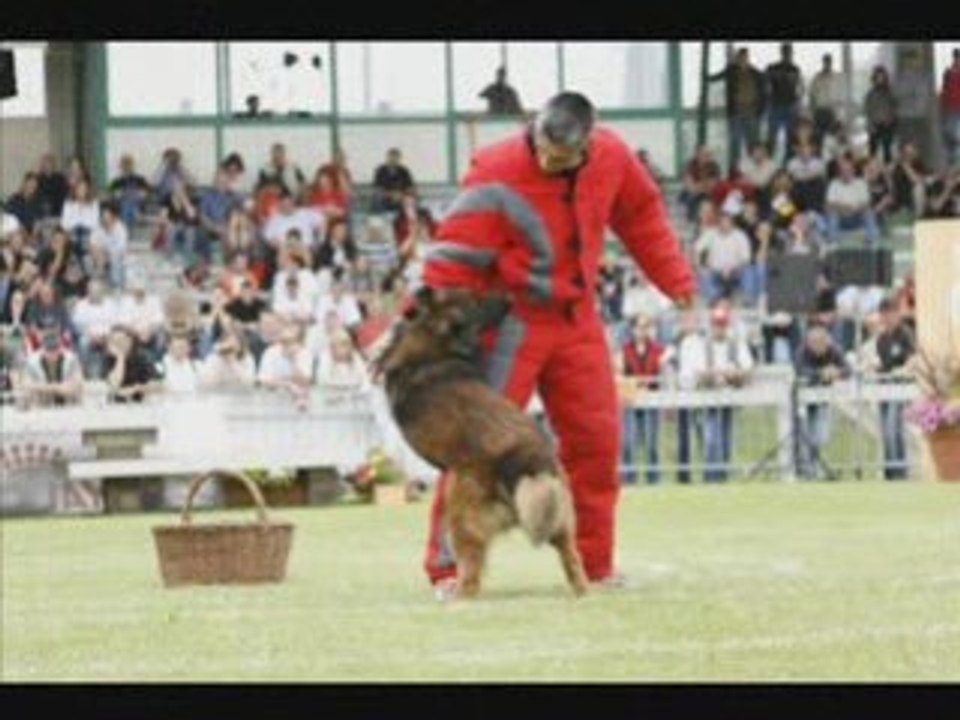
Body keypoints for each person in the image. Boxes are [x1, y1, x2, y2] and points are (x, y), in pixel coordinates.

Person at [417, 91, 696, 596]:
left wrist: (674, 278)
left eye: (560, 157)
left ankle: (594, 566)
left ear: (589, 143)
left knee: (598, 444)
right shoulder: (496, 167)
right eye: (542, 148)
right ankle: (448, 568)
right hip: (509, 323)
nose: (546, 160)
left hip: (578, 321)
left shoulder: (614, 157)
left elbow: (642, 216)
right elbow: (453, 251)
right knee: (476, 447)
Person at [676, 304, 754, 483]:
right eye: (716, 324)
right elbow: (695, 373)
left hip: (728, 399)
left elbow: (748, 368)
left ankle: (723, 477)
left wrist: (734, 374)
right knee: (711, 440)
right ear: (711, 325)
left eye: (722, 324)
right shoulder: (701, 344)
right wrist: (712, 374)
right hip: (708, 400)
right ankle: (711, 478)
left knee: (726, 440)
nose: (719, 328)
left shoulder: (737, 344)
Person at [618, 313, 670, 485]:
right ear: (632, 329)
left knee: (652, 444)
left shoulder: (657, 350)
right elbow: (620, 373)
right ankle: (629, 479)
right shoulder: (625, 350)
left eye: (646, 327)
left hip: (651, 402)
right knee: (629, 443)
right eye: (639, 327)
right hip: (631, 402)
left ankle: (653, 479)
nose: (643, 331)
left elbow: (662, 371)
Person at [793, 324, 850, 480]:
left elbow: (847, 369)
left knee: (820, 436)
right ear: (809, 342)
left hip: (823, 400)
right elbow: (800, 370)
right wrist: (821, 373)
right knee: (805, 436)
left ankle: (815, 468)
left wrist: (836, 372)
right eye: (815, 344)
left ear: (826, 342)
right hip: (802, 401)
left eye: (821, 343)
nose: (818, 348)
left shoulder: (833, 350)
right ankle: (806, 469)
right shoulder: (802, 351)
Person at [872, 298, 916, 481]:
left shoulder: (905, 334)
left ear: (897, 314)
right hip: (884, 388)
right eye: (884, 314)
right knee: (885, 430)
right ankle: (890, 471)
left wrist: (906, 367)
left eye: (891, 313)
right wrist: (875, 366)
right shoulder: (881, 339)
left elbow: (913, 358)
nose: (887, 317)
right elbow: (883, 364)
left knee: (893, 429)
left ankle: (900, 471)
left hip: (901, 388)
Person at [707, 47, 768, 173]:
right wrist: (706, 77)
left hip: (752, 113)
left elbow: (764, 93)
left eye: (744, 57)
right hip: (736, 113)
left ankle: (753, 171)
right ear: (737, 58)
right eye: (740, 57)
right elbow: (717, 77)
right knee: (735, 144)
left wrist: (760, 111)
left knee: (752, 145)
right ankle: (734, 172)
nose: (742, 60)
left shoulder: (756, 73)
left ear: (748, 58)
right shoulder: (731, 71)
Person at [695, 207, 752, 305]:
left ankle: (747, 300)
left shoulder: (740, 236)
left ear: (732, 223)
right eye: (722, 221)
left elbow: (745, 259)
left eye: (727, 222)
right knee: (703, 274)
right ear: (718, 223)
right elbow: (696, 249)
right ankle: (717, 298)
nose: (724, 224)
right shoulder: (710, 233)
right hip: (715, 270)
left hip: (735, 270)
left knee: (749, 271)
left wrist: (733, 268)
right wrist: (698, 265)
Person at [825, 156, 880, 246]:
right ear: (839, 172)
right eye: (843, 171)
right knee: (832, 213)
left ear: (853, 171)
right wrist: (844, 207)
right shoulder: (834, 184)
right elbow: (829, 204)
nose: (846, 173)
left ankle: (871, 240)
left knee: (868, 212)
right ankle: (833, 241)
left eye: (849, 170)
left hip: (856, 216)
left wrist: (855, 208)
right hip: (841, 217)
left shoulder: (861, 183)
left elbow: (866, 203)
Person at [21, 329, 84, 408]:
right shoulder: (32, 361)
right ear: (43, 349)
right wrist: (55, 388)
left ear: (60, 348)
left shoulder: (71, 359)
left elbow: (77, 384)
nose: (52, 354)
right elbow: (27, 385)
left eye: (55, 350)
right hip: (41, 406)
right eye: (49, 351)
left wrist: (45, 387)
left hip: (68, 406)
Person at [71, 279, 119, 379]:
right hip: (89, 336)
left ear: (102, 292)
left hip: (106, 336)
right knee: (83, 342)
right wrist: (91, 335)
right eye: (91, 291)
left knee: (116, 341)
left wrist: (105, 336)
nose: (94, 293)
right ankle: (83, 373)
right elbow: (77, 325)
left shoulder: (110, 304)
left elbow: (115, 324)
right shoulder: (81, 305)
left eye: (97, 291)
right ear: (88, 292)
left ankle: (111, 374)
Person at [257, 324, 313, 406]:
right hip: (272, 399)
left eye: (290, 341)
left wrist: (292, 361)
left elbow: (305, 381)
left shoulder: (305, 353)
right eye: (283, 341)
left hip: (298, 400)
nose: (286, 345)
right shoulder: (270, 352)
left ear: (298, 341)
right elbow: (263, 380)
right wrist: (287, 384)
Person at [765, 43, 804, 160]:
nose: (787, 54)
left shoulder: (795, 69)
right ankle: (768, 164)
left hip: (790, 107)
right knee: (771, 138)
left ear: (792, 53)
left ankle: (788, 165)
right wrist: (768, 102)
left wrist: (798, 104)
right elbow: (765, 87)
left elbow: (800, 88)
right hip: (775, 107)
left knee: (790, 139)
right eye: (785, 52)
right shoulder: (772, 67)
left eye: (789, 52)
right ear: (781, 52)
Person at [102, 327, 161, 403]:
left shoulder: (142, 357)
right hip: (115, 403)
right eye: (114, 341)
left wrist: (136, 388)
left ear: (130, 340)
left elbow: (158, 385)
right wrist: (120, 357)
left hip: (140, 403)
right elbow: (114, 385)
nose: (118, 343)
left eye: (121, 340)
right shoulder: (109, 358)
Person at [89, 202, 129, 290]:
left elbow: (120, 251)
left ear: (114, 216)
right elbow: (92, 245)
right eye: (103, 215)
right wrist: (99, 257)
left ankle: (116, 289)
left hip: (116, 262)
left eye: (107, 215)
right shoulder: (97, 227)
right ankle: (98, 283)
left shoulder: (121, 229)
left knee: (116, 265)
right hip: (100, 261)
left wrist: (105, 253)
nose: (104, 218)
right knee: (95, 257)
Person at [808, 54, 845, 147]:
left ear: (831, 63)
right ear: (823, 62)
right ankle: (819, 159)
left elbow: (841, 99)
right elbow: (811, 96)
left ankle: (837, 160)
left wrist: (839, 116)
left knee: (836, 141)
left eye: (829, 61)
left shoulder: (837, 77)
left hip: (832, 112)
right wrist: (812, 114)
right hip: (819, 112)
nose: (827, 63)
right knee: (818, 140)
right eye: (825, 61)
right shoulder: (817, 77)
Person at [864, 66, 899, 165]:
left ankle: (888, 172)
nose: (880, 79)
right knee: (873, 153)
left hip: (888, 126)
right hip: (875, 126)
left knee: (888, 152)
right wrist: (871, 127)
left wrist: (891, 120)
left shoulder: (890, 92)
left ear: (885, 78)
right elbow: (868, 112)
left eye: (882, 77)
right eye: (878, 77)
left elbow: (895, 108)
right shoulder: (870, 94)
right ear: (874, 78)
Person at [679, 146, 722, 223]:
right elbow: (688, 182)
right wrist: (699, 187)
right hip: (692, 192)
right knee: (691, 196)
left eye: (708, 154)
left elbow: (713, 184)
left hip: (707, 193)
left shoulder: (714, 166)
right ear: (697, 155)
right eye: (702, 154)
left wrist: (699, 187)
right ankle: (691, 219)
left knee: (707, 199)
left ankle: (700, 219)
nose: (705, 157)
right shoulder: (691, 164)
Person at [108, 155, 151, 229]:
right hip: (124, 203)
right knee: (127, 204)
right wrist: (116, 194)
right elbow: (109, 192)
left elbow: (148, 190)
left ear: (132, 166)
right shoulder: (117, 181)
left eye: (128, 165)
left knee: (129, 203)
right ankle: (137, 216)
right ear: (121, 167)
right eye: (124, 165)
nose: (126, 168)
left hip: (137, 202)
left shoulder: (139, 179)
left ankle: (128, 225)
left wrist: (143, 193)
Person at [371, 148, 415, 214]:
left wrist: (401, 194)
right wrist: (391, 194)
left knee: (410, 199)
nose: (393, 160)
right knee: (378, 197)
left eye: (395, 158)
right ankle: (380, 220)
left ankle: (409, 221)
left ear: (399, 159)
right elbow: (377, 189)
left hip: (401, 196)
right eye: (391, 158)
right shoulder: (380, 170)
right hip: (385, 196)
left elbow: (410, 187)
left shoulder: (404, 171)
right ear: (387, 158)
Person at [36, 154, 70, 220]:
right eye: (44, 165)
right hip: (42, 214)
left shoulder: (60, 179)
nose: (46, 167)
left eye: (48, 164)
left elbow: (64, 196)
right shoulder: (37, 179)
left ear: (53, 165)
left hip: (58, 213)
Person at [941, 49, 960, 167]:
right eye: (956, 57)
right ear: (953, 58)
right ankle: (952, 161)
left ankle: (955, 161)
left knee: (956, 135)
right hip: (950, 108)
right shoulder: (947, 73)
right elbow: (945, 90)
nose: (957, 60)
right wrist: (943, 108)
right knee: (950, 135)